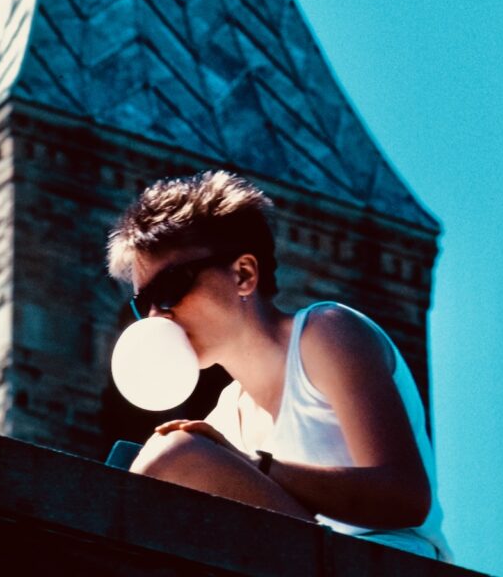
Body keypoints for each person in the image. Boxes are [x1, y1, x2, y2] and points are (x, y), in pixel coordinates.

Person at [107, 170, 452, 561]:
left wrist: (256, 465)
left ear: (243, 274)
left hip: (388, 564)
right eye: (143, 303)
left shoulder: (325, 334)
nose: (156, 317)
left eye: (169, 289)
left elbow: (406, 498)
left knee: (173, 455)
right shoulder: (226, 416)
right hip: (310, 562)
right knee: (146, 469)